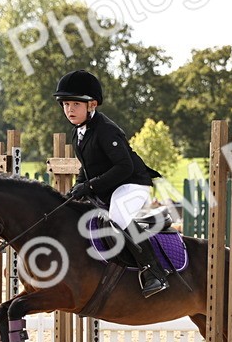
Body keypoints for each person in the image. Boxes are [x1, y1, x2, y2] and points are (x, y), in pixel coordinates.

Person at [56, 68, 168, 297]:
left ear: (92, 105)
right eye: (66, 104)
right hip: (110, 186)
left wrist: (88, 187)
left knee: (117, 216)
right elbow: (85, 169)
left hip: (133, 184)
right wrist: (76, 189)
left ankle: (154, 272)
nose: (69, 109)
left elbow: (124, 167)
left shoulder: (107, 130)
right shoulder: (77, 132)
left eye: (75, 104)